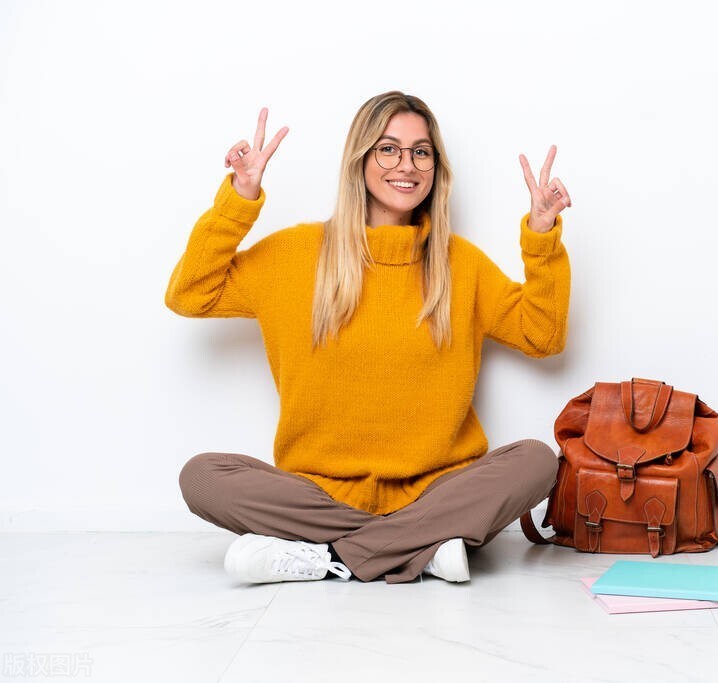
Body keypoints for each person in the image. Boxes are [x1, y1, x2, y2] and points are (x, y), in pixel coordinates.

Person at [167, 91, 572, 585]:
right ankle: (421, 548)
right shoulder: (294, 255)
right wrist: (240, 200)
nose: (407, 164)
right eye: (388, 148)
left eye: (421, 151)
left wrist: (541, 234)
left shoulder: (459, 264)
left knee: (535, 461)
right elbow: (190, 294)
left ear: (436, 167)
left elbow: (543, 334)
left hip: (437, 493)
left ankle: (329, 556)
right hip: (319, 496)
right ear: (360, 159)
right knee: (203, 476)